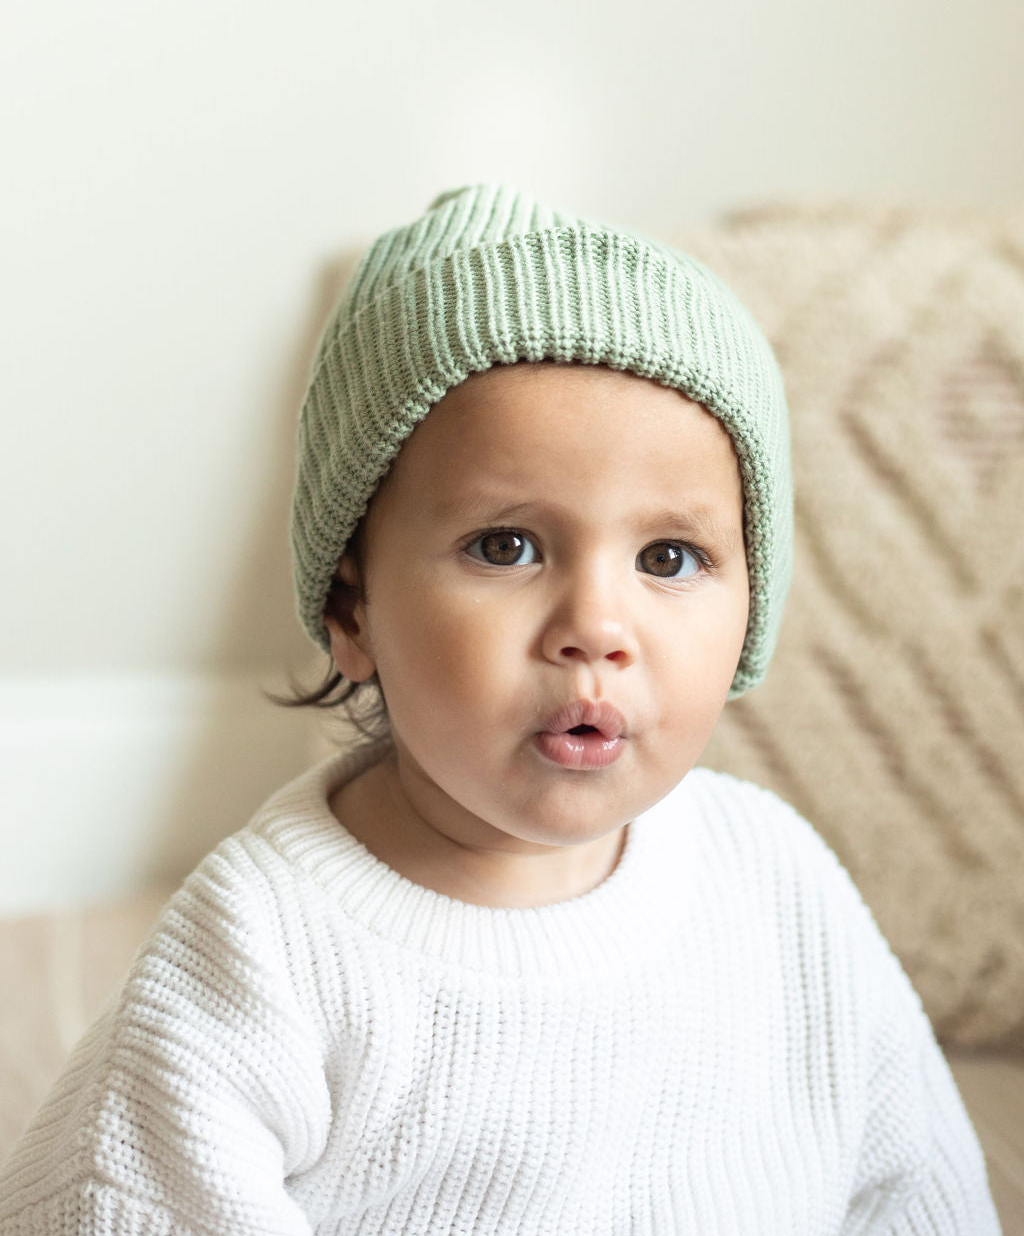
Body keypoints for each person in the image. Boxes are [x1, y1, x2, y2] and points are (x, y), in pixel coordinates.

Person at [0, 184, 1001, 1234]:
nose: (596, 626)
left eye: (669, 557)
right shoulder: (262, 952)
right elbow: (111, 1203)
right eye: (505, 545)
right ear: (353, 608)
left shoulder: (781, 885)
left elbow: (916, 1192)